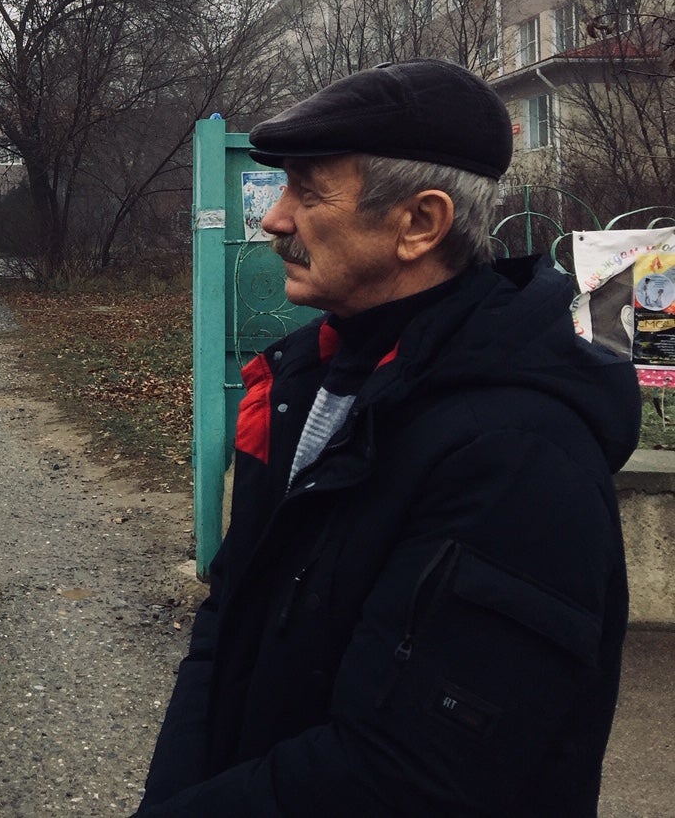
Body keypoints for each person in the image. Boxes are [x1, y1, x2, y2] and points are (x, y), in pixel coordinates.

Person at [138, 59, 642, 815]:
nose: (275, 219)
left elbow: (410, 773)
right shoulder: (307, 382)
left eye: (308, 192)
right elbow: (228, 617)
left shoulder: (519, 456)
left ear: (419, 223)